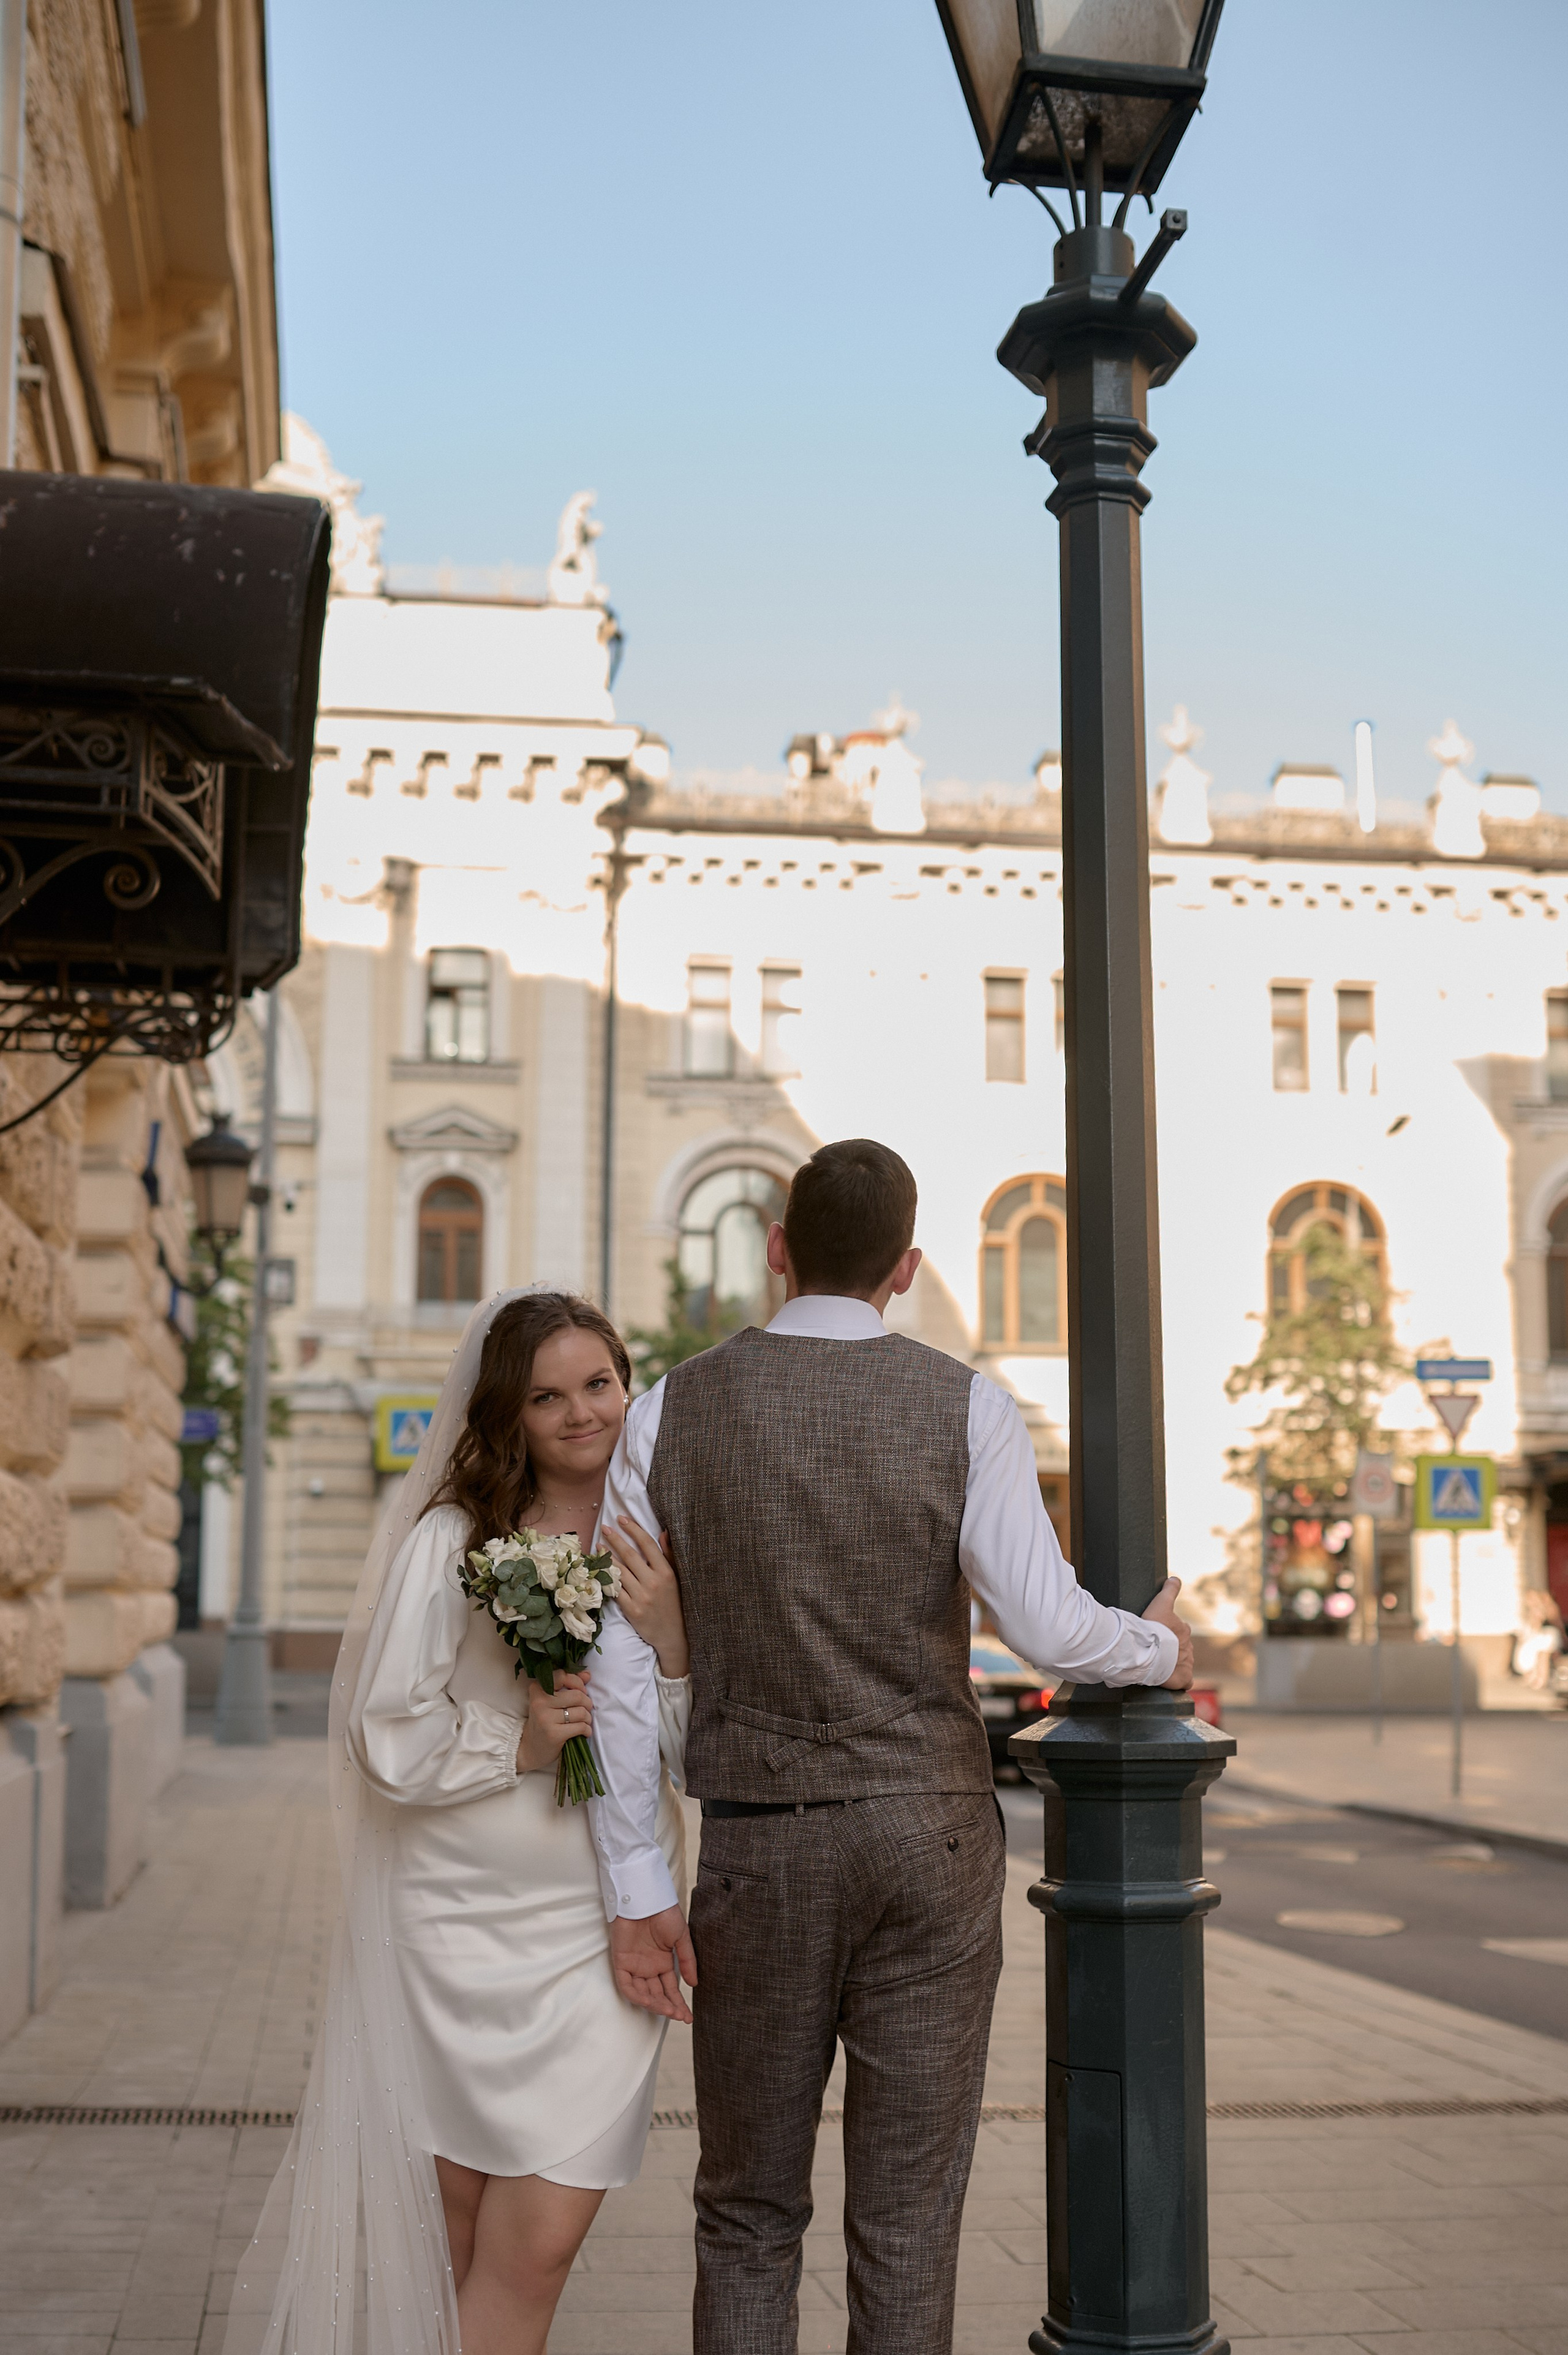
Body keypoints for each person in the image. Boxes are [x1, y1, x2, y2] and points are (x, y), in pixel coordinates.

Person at [590, 1138, 1193, 2355]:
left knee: (746, 2207)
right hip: (929, 1837)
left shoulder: (670, 1406)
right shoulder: (963, 1402)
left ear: (775, 1247)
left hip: (756, 1846)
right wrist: (1157, 1648)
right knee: (910, 2213)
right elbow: (1042, 1619)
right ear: (906, 1265)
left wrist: (636, 1887)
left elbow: (617, 1663)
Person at [224, 1289, 692, 2355]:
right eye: (547, 1396)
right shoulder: (453, 1539)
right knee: (456, 2233)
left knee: (536, 2245)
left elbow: (696, 1755)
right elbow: (382, 1735)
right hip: (452, 1927)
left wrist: (673, 1643)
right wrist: (513, 1744)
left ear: (629, 1383)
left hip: (602, 1927)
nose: (583, 1414)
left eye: (600, 1384)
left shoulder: (671, 1534)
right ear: (507, 1412)